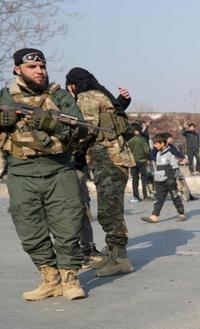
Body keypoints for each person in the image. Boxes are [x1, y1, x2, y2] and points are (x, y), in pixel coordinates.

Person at [0, 48, 86, 300]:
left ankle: (70, 277)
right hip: (20, 171)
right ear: (18, 70)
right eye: (32, 68)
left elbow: (81, 130)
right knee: (28, 227)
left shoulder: (58, 95)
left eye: (42, 67)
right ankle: (50, 278)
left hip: (59, 169)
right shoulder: (5, 96)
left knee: (67, 224)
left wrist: (48, 122)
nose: (39, 71)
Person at [65, 67, 135, 277]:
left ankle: (120, 259)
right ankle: (112, 255)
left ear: (72, 85)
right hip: (113, 158)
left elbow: (86, 129)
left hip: (108, 159)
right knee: (109, 208)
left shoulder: (86, 97)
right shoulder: (100, 94)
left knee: (109, 211)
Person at [141, 133, 186, 223]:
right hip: (159, 181)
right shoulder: (158, 154)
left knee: (175, 197)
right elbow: (157, 167)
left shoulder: (170, 153)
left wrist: (172, 179)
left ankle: (182, 214)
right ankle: (154, 216)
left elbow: (175, 167)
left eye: (157, 143)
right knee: (158, 199)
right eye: (154, 143)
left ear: (163, 143)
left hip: (169, 180)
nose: (155, 145)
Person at [126, 124, 151, 202]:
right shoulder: (143, 140)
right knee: (144, 178)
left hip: (133, 162)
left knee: (135, 179)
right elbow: (147, 150)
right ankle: (145, 195)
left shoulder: (130, 141)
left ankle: (136, 196)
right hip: (142, 161)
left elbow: (127, 151)